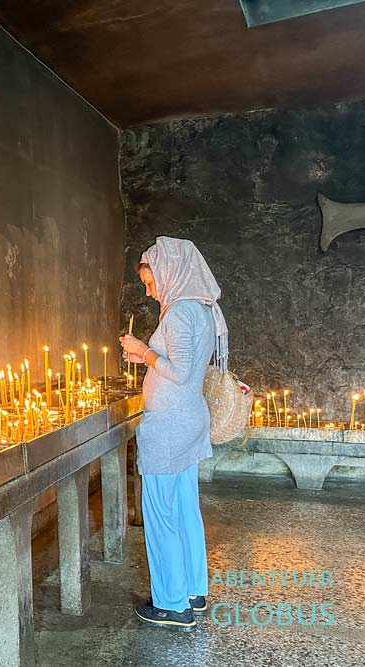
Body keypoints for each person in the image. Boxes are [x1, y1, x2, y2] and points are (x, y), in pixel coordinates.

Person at [118, 236, 228, 632]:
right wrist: (145, 356)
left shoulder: (180, 313)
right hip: (188, 422)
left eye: (151, 281)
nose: (149, 290)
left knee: (161, 514)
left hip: (169, 426)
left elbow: (180, 373)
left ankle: (171, 604)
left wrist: (142, 351)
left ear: (171, 272)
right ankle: (194, 591)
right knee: (184, 509)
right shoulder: (199, 310)